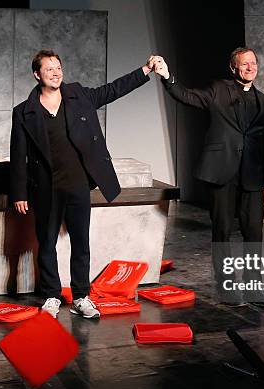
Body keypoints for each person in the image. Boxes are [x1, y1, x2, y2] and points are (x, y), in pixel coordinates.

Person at [10, 50, 159, 319]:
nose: (56, 73)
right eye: (49, 69)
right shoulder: (24, 112)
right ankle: (52, 296)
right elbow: (18, 154)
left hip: (78, 184)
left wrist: (145, 70)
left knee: (81, 242)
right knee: (46, 244)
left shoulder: (79, 96)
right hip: (46, 188)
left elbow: (113, 90)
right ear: (37, 75)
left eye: (58, 67)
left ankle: (81, 296)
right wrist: (19, 192)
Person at [154, 48, 264, 309]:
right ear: (234, 68)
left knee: (254, 233)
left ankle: (254, 288)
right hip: (222, 173)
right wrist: (166, 77)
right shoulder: (218, 90)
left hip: (252, 177)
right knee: (223, 232)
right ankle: (228, 288)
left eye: (253, 63)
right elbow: (186, 96)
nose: (250, 67)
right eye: (245, 64)